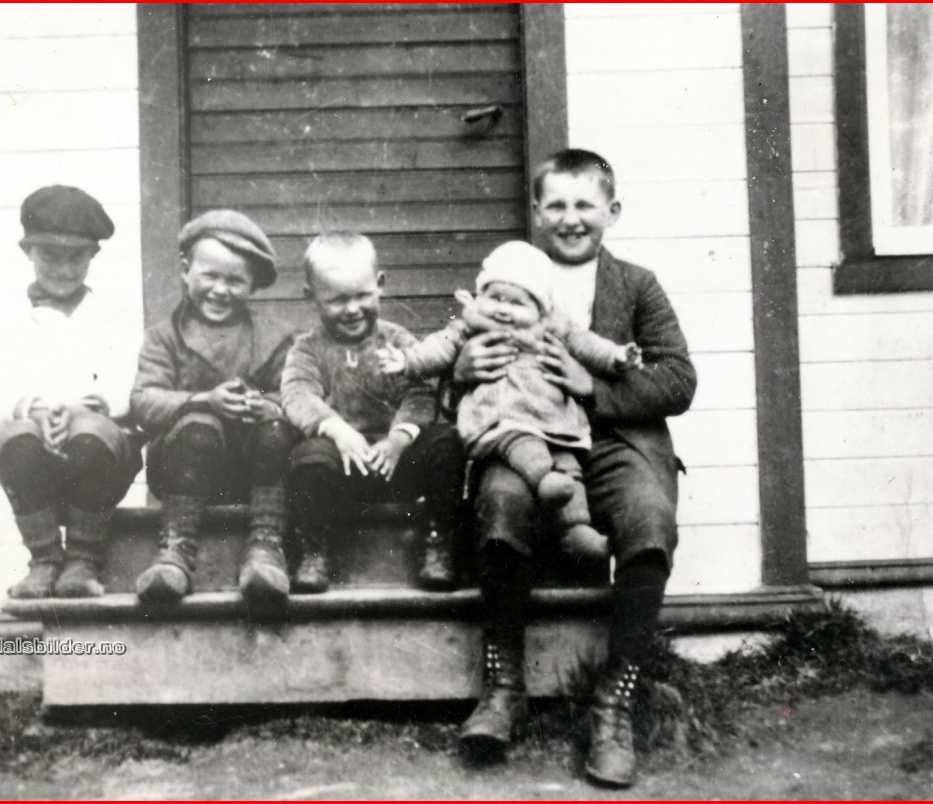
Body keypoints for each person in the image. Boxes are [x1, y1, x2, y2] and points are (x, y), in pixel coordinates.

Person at [454, 150, 697, 788]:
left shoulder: (636, 285)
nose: (570, 218)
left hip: (615, 439)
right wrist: (461, 370)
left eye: (584, 205)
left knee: (649, 517)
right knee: (502, 500)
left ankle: (614, 701)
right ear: (537, 212)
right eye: (556, 205)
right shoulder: (506, 277)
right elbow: (453, 350)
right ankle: (504, 686)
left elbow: (678, 379)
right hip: (527, 435)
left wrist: (593, 387)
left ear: (611, 212)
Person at [378, 240, 641, 560]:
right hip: (498, 418)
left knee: (568, 465)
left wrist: (616, 357)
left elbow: (587, 345)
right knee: (523, 446)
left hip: (550, 419)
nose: (503, 309)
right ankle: (542, 478)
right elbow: (439, 347)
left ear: (540, 308)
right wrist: (408, 360)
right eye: (495, 298)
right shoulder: (470, 326)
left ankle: (575, 530)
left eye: (517, 303)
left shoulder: (553, 327)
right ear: (480, 297)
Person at [129, 210, 300, 609]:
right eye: (210, 276)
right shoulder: (163, 337)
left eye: (235, 280)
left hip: (253, 473)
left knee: (276, 427)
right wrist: (204, 400)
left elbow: (296, 396)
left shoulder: (275, 337)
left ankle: (265, 546)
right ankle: (175, 551)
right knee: (199, 425)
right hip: (184, 471)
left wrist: (265, 406)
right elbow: (143, 400)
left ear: (252, 284)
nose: (220, 290)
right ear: (185, 271)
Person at [280, 232, 465, 593]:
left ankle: (438, 542)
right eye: (337, 299)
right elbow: (297, 394)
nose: (352, 309)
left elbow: (420, 392)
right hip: (342, 466)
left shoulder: (397, 341)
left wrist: (398, 439)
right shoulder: (307, 349)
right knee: (307, 458)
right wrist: (338, 431)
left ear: (380, 285)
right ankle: (314, 551)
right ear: (311, 297)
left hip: (395, 462)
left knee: (446, 443)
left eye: (362, 295)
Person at [0, 185, 143, 599]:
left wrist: (82, 409)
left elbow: (129, 383)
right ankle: (44, 559)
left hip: (100, 451)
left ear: (93, 255)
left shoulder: (114, 315)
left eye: (76, 257)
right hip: (42, 449)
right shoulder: (10, 318)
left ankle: (83, 558)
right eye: (50, 256)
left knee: (90, 433)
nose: (63, 269)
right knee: (12, 440)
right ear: (28, 252)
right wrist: (35, 410)